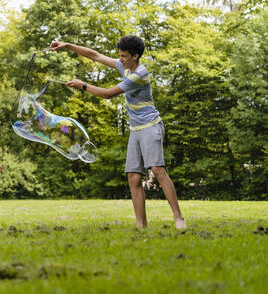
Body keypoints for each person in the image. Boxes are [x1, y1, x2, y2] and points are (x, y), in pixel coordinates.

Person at [49, 35, 186, 229]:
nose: (120, 59)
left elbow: (107, 94)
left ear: (135, 56)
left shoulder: (139, 74)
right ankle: (141, 225)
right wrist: (67, 45)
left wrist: (84, 86)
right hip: (135, 129)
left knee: (157, 170)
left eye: (123, 56)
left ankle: (178, 217)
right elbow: (95, 55)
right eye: (119, 56)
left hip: (150, 126)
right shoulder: (125, 66)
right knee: (133, 177)